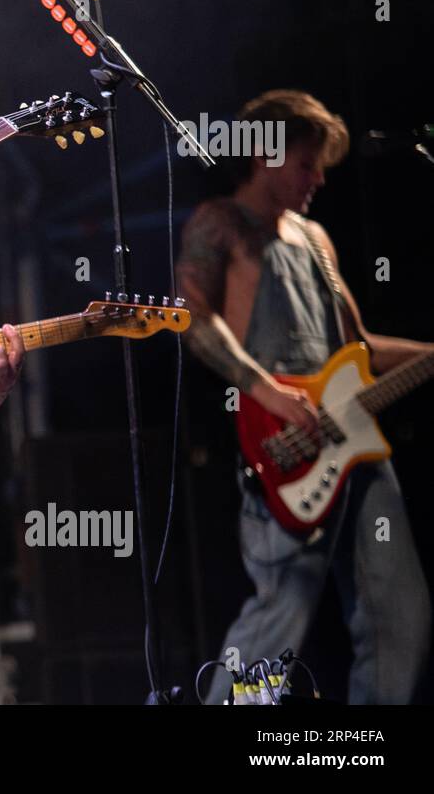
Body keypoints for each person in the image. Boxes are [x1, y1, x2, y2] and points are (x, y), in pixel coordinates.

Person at [177, 89, 432, 704]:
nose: (319, 177)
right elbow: (192, 316)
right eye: (306, 162)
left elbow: (359, 347)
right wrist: (265, 389)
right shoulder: (219, 222)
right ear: (264, 153)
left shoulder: (317, 237)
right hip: (281, 440)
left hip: (357, 446)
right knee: (278, 625)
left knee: (401, 615)